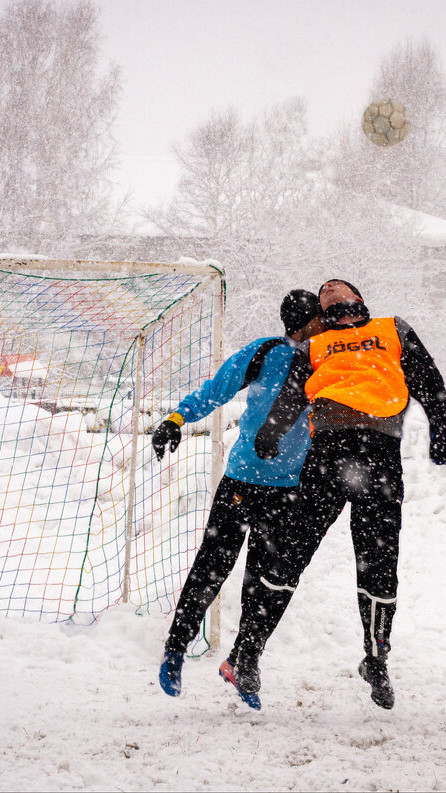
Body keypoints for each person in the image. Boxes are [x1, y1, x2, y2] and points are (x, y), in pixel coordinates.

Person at [235, 278, 446, 709]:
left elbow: (429, 380)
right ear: (323, 312)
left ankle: (376, 657)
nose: (330, 289)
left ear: (359, 298)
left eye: (338, 287)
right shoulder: (315, 347)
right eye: (324, 293)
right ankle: (250, 650)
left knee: (379, 563)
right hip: (328, 456)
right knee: (290, 554)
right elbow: (289, 398)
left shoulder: (394, 330)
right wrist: (270, 434)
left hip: (380, 460)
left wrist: (443, 432)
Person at [154, 289, 324, 710]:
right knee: (212, 567)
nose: (325, 324)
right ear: (305, 322)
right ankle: (176, 649)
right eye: (319, 318)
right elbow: (218, 389)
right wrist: (177, 419)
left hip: (290, 492)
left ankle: (243, 662)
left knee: (261, 586)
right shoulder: (264, 352)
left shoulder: (329, 361)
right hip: (242, 482)